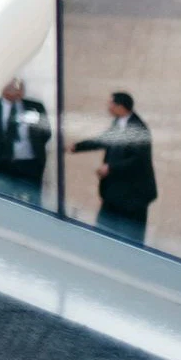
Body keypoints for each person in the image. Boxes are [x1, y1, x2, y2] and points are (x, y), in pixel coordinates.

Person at [75, 91, 158, 245]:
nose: (108, 107)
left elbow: (139, 160)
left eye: (111, 104)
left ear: (121, 107)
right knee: (104, 231)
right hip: (114, 191)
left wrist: (110, 167)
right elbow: (103, 140)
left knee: (130, 238)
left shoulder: (138, 129)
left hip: (133, 195)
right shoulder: (118, 123)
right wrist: (77, 147)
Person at [0, 77, 54, 209]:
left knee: (33, 202)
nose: (17, 91)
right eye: (12, 87)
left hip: (30, 163)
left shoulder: (34, 106)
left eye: (19, 88)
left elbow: (45, 132)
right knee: (4, 203)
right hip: (2, 163)